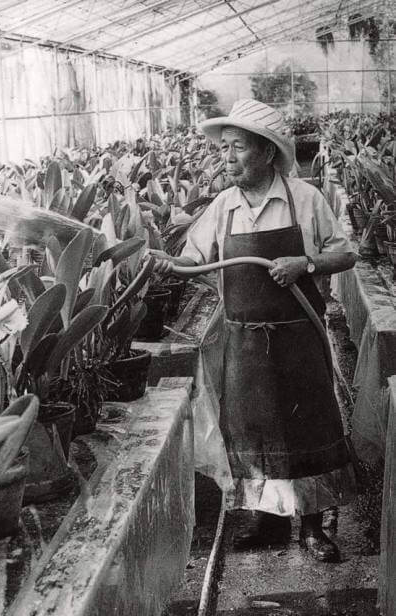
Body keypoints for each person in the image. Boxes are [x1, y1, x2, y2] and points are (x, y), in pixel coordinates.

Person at [152, 99, 357, 562]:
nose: (226, 157)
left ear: (266, 152)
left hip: (298, 334)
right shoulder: (223, 206)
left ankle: (312, 527)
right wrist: (163, 262)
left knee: (308, 427)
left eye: (237, 147)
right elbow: (193, 260)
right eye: (223, 148)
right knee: (253, 432)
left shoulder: (305, 199)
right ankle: (266, 520)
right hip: (243, 338)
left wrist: (304, 262)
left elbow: (346, 255)